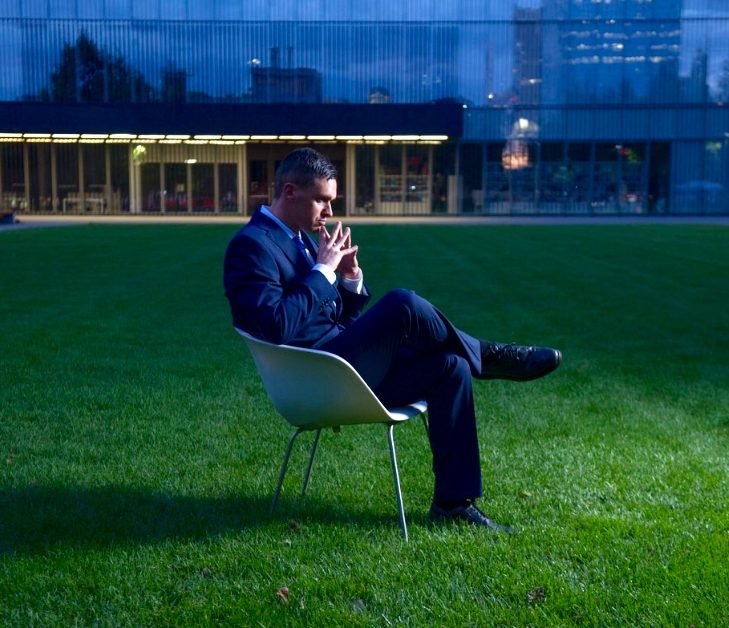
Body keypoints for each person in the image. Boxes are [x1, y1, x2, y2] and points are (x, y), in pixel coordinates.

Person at [223, 147, 561, 532]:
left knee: (451, 367)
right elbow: (276, 326)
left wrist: (348, 279)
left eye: (332, 201)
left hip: (339, 365)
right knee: (403, 303)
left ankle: (453, 504)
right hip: (312, 380)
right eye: (322, 200)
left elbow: (336, 320)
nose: (330, 213)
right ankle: (492, 355)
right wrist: (321, 271)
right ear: (289, 192)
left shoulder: (300, 240)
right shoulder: (251, 245)